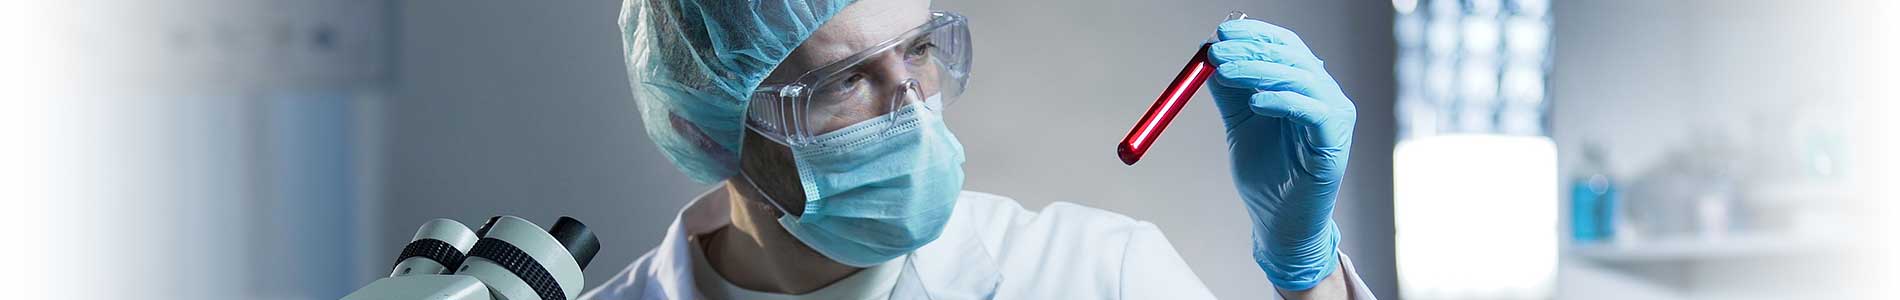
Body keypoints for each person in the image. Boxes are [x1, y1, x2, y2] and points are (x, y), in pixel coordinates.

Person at [583, 0, 1371, 298]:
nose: (912, 107)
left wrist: (1309, 275)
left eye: (920, 50)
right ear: (704, 128)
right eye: (847, 81)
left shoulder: (1096, 274)